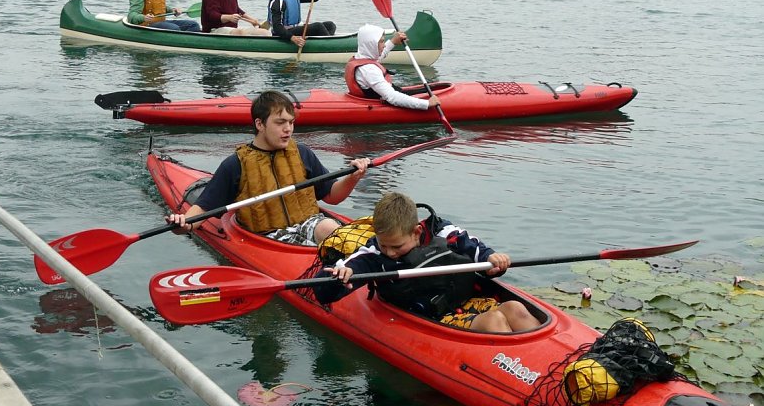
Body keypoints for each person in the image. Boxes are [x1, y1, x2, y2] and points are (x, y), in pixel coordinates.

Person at [315, 192, 542, 333]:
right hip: (434, 319)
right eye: (385, 245)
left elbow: (475, 249)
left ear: (416, 231)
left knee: (515, 309)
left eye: (397, 246)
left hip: (464, 301)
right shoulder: (374, 254)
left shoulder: (442, 230)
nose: (390, 252)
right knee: (494, 321)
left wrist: (492, 259)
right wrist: (339, 278)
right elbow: (326, 289)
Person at [166, 90, 369, 246]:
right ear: (260, 124)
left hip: (309, 222)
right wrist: (182, 224)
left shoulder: (302, 152)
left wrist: (354, 177)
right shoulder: (235, 164)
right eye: (280, 122)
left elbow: (332, 196)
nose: (288, 129)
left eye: (291, 122)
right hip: (267, 236)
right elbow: (201, 212)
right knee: (315, 249)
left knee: (330, 228)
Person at [344, 24, 441, 110]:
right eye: (381, 42)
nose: (383, 45)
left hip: (383, 93)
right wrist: (427, 103)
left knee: (436, 87)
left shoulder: (361, 57)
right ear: (371, 44)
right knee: (433, 91)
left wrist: (394, 41)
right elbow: (392, 97)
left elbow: (379, 55)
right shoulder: (369, 70)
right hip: (385, 100)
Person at [267, 0, 336, 48]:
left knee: (330, 25)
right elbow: (277, 27)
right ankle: (330, 47)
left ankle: (321, 43)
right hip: (283, 33)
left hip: (295, 29)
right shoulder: (278, 1)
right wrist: (292, 38)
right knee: (318, 26)